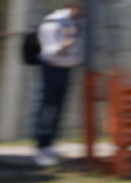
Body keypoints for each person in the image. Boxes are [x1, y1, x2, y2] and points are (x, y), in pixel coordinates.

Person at [33, 0, 85, 167]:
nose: (84, 10)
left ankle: (49, 145)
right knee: (48, 108)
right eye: (82, 6)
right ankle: (41, 148)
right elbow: (50, 52)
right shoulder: (53, 22)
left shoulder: (70, 22)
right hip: (52, 69)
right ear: (74, 5)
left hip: (64, 70)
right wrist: (66, 44)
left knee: (58, 108)